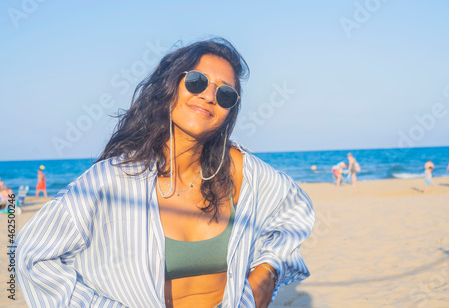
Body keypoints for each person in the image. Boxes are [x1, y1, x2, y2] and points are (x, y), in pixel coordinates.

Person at [15, 38, 315, 308]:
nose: (210, 96)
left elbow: (294, 210)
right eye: (197, 82)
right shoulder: (113, 180)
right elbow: (32, 256)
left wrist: (268, 271)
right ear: (169, 85)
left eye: (225, 94)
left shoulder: (238, 170)